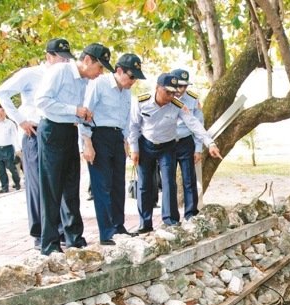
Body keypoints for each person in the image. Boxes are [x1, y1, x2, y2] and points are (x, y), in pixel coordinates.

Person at [0, 38, 73, 249]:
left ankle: (60, 230)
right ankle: (40, 233)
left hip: (58, 132)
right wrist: (20, 119)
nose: (64, 62)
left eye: (67, 58)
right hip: (35, 131)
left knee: (60, 183)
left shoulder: (67, 75)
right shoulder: (31, 74)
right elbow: (2, 92)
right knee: (39, 184)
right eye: (60, 58)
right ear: (49, 56)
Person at [34, 42, 112, 255]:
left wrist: (82, 113)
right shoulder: (60, 70)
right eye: (100, 67)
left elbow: (75, 111)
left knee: (71, 186)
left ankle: (74, 239)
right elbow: (41, 101)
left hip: (69, 131)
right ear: (87, 61)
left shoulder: (84, 81)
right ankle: (49, 243)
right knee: (51, 188)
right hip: (51, 131)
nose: (101, 72)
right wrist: (74, 109)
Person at [129, 73, 222, 233]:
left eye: (174, 92)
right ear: (157, 88)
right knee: (144, 185)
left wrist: (210, 143)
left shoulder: (177, 105)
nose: (171, 96)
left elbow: (194, 124)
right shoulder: (142, 102)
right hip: (146, 145)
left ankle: (170, 221)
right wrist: (134, 149)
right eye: (168, 92)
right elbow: (133, 126)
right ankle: (145, 224)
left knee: (169, 182)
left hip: (167, 147)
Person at [82, 53, 146, 245]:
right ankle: (106, 232)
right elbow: (85, 115)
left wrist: (125, 140)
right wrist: (87, 143)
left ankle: (119, 226)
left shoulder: (127, 92)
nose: (133, 81)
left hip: (118, 138)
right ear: (119, 71)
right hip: (98, 136)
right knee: (102, 185)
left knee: (118, 184)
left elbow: (126, 119)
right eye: (131, 76)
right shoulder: (98, 84)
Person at [170, 68, 203, 220]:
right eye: (179, 86)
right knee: (169, 181)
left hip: (185, 142)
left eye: (184, 86)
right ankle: (171, 218)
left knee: (189, 180)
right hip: (168, 143)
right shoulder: (165, 96)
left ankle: (191, 214)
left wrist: (198, 148)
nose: (181, 89)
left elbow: (198, 124)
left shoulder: (193, 99)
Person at [0, 106, 22, 193]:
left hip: (8, 148)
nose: (0, 113)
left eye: (2, 111)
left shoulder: (10, 123)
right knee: (1, 169)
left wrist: (17, 149)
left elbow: (15, 136)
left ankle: (17, 182)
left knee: (11, 167)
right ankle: (4, 187)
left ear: (5, 112)